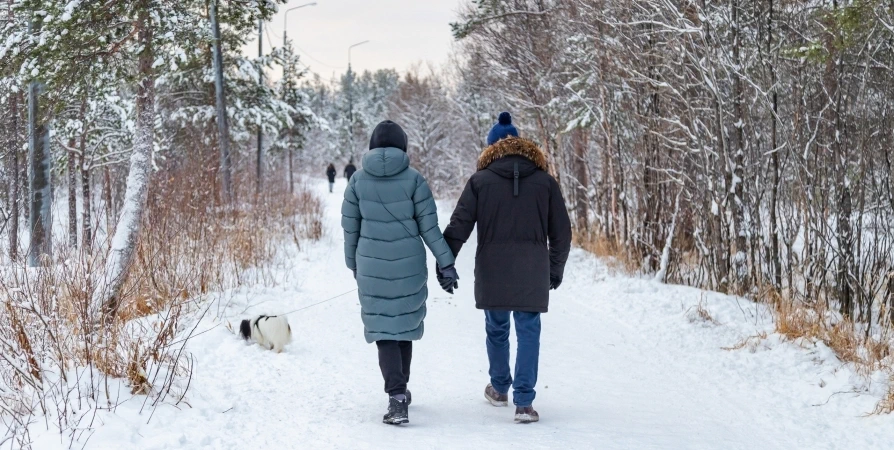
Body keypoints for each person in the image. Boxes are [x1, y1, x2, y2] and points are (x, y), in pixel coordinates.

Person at [442, 112, 571, 424]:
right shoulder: (545, 182)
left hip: (492, 269)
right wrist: (555, 269)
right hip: (532, 270)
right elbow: (562, 231)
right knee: (528, 331)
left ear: (491, 148)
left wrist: (445, 262)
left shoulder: (480, 181)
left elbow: (459, 225)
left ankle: (500, 389)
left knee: (496, 328)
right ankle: (524, 403)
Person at [341, 120, 459, 425]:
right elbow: (430, 228)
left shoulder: (356, 181)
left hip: (371, 265)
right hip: (409, 266)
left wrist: (353, 263)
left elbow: (350, 229)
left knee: (384, 330)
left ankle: (397, 396)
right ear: (402, 145)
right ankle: (400, 389)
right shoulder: (415, 180)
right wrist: (446, 262)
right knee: (403, 325)